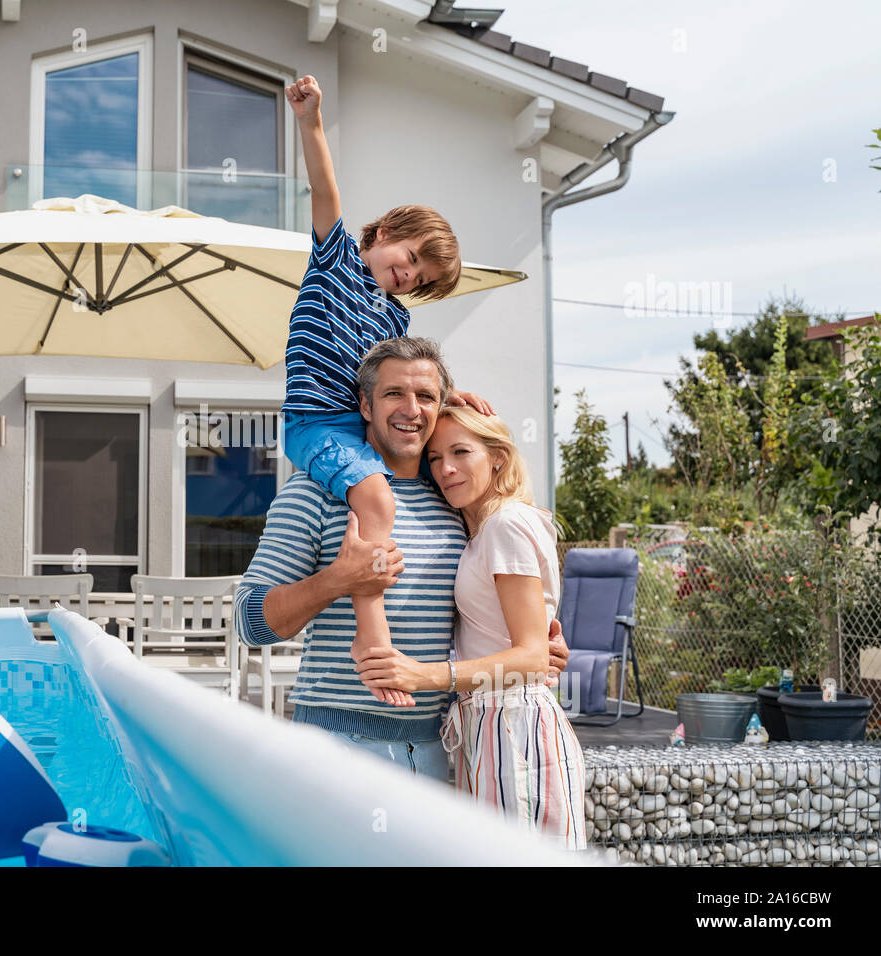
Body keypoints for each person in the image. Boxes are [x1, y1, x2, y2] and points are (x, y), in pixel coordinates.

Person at [235, 337, 568, 780]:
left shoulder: (455, 501)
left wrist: (529, 649)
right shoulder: (314, 493)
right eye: (394, 393)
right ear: (365, 406)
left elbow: (483, 610)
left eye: (425, 396)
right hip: (334, 748)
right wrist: (338, 579)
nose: (411, 409)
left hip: (436, 749)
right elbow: (249, 623)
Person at [281, 73, 491, 706]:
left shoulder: (396, 320)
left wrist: (452, 401)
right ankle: (370, 642)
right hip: (317, 423)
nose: (406, 276)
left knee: (383, 499)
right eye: (410, 257)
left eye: (418, 279)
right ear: (386, 230)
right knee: (376, 506)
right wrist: (311, 122)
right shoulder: (336, 257)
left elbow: (400, 384)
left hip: (356, 426)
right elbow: (325, 188)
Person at [356, 406, 587, 848]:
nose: (446, 469)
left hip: (513, 726)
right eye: (436, 457)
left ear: (497, 456)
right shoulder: (484, 529)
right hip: (487, 723)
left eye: (462, 452)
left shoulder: (505, 525)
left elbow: (533, 657)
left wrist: (425, 676)